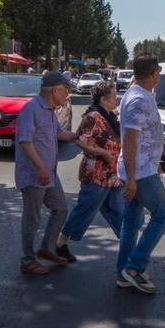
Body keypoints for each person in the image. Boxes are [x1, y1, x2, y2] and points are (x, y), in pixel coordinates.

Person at [116, 53, 165, 294]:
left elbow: (145, 137)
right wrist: (130, 179)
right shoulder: (139, 99)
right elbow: (130, 139)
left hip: (141, 168)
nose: (159, 75)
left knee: (131, 223)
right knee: (162, 216)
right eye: (157, 71)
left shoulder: (138, 93)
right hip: (140, 172)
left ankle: (123, 274)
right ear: (153, 73)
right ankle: (135, 267)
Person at [15, 72, 79, 275]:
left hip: (48, 174)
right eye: (65, 90)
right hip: (35, 175)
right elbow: (25, 141)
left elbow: (59, 133)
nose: (67, 94)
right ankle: (27, 261)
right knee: (32, 219)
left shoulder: (50, 111)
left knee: (60, 208)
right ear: (55, 90)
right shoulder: (31, 109)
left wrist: (79, 134)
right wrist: (41, 168)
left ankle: (46, 249)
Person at [56, 80, 124, 262]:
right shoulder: (92, 117)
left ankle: (128, 244)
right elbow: (79, 140)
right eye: (113, 96)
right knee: (84, 210)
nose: (116, 98)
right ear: (103, 99)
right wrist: (102, 152)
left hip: (112, 175)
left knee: (119, 211)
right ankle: (61, 243)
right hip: (96, 174)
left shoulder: (110, 115)